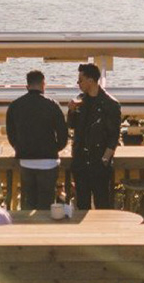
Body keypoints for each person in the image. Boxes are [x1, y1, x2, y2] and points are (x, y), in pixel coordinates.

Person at [6, 70, 69, 210]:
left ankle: (29, 230)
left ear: (27, 86)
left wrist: (19, 147)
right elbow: (63, 134)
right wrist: (55, 148)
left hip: (26, 160)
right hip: (48, 161)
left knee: (29, 202)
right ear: (43, 84)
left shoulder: (15, 105)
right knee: (46, 204)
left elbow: (11, 134)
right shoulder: (52, 105)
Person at [68, 63, 121, 210]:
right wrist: (71, 111)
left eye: (80, 80)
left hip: (99, 160)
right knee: (82, 204)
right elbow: (72, 126)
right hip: (80, 160)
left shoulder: (110, 104)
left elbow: (113, 136)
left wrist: (104, 159)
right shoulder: (80, 100)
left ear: (90, 80)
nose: (78, 84)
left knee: (102, 203)